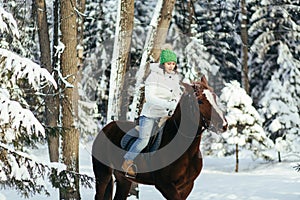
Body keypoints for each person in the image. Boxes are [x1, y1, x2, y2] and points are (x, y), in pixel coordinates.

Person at [122, 49, 183, 177]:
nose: (171, 66)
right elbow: (150, 98)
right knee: (144, 140)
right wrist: (169, 104)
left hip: (166, 116)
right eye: (168, 63)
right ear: (163, 64)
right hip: (150, 115)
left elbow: (177, 95)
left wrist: (176, 103)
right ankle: (128, 161)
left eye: (173, 63)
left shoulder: (175, 78)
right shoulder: (153, 77)